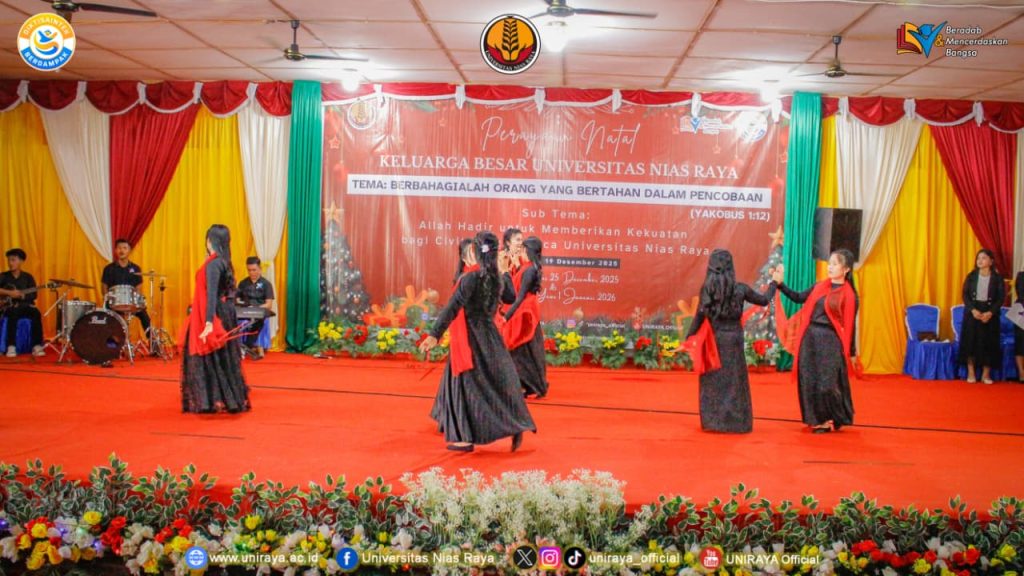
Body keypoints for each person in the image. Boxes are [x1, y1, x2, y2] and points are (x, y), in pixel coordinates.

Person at [419, 231, 536, 452]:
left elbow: (452, 307)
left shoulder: (471, 277)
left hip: (471, 338)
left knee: (468, 386)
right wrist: (505, 272)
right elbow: (510, 297)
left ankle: (465, 438)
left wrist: (434, 334)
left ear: (477, 251)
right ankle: (513, 424)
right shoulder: (495, 277)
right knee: (497, 381)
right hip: (491, 336)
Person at [684, 249, 775, 433]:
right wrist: (775, 283)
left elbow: (700, 316)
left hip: (713, 340)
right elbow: (764, 300)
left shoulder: (707, 289)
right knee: (734, 380)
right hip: (733, 339)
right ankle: (735, 423)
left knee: (713, 380)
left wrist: (688, 338)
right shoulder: (740, 289)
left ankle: (713, 422)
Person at [771, 249, 858, 434]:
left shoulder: (849, 295)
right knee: (809, 380)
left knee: (827, 384)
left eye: (835, 264)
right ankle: (819, 421)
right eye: (830, 263)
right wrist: (780, 285)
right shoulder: (820, 286)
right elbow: (798, 298)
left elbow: (851, 325)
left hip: (830, 341)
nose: (830, 267)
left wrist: (850, 352)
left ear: (846, 269)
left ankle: (835, 416)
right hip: (810, 338)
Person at [180, 225, 249, 414]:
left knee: (210, 357)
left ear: (209, 240)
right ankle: (226, 399)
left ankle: (209, 400)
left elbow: (211, 295)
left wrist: (209, 322)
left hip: (214, 313)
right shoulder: (223, 262)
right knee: (223, 357)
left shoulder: (213, 264)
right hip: (224, 311)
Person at [430, 238, 475, 433]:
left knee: (455, 376)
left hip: (470, 333)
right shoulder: (465, 278)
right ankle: (453, 419)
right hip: (463, 332)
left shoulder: (476, 276)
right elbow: (451, 308)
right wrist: (435, 334)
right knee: (458, 377)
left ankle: (447, 416)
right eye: (472, 252)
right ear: (464, 257)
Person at [498, 236, 549, 398]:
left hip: (525, 313)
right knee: (524, 351)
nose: (520, 251)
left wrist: (507, 316)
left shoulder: (530, 269)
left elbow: (519, 297)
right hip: (523, 310)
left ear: (528, 250)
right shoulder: (526, 267)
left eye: (523, 248)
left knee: (525, 350)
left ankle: (535, 385)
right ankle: (530, 386)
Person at [957, 249, 1005, 384]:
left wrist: (990, 312)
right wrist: (973, 310)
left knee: (989, 342)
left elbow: (1000, 298)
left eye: (984, 258)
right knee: (970, 342)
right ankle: (971, 373)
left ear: (991, 261)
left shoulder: (997, 278)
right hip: (973, 311)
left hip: (990, 313)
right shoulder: (971, 276)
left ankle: (986, 374)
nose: (980, 261)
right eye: (978, 258)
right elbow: (965, 295)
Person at [101, 239, 152, 347]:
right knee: (108, 317)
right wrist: (108, 300)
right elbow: (104, 287)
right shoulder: (109, 269)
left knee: (144, 314)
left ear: (129, 251)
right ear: (115, 250)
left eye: (125, 248)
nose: (122, 250)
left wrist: (136, 301)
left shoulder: (136, 268)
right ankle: (111, 346)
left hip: (131, 303)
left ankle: (153, 344)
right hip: (114, 303)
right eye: (119, 248)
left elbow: (138, 288)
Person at [0, 248, 45, 358]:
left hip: (24, 306)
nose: (10, 263)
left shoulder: (28, 277)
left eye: (13, 260)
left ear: (21, 261)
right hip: (8, 307)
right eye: (9, 260)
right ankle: (11, 346)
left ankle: (37, 345)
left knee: (36, 313)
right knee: (13, 313)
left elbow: (34, 295)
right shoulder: (3, 276)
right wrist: (10, 293)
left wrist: (23, 296)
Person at [236, 256, 275, 360]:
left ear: (260, 269)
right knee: (237, 321)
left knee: (260, 321)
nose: (252, 273)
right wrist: (241, 303)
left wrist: (255, 307)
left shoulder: (266, 284)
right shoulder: (243, 283)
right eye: (249, 270)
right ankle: (240, 348)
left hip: (259, 313)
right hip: (245, 312)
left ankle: (258, 347)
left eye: (254, 270)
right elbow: (237, 300)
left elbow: (269, 304)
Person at [1016, 270, 1024, 383]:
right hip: (1020, 310)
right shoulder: (1021, 275)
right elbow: (1021, 294)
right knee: (1020, 342)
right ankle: (1022, 373)